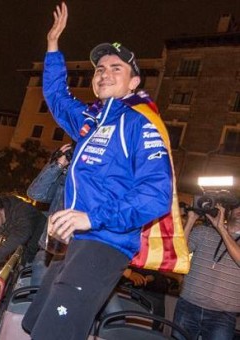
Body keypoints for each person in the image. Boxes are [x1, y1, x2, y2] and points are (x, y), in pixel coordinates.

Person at [22, 4, 174, 339]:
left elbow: (157, 195)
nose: (103, 73)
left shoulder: (139, 124)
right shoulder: (90, 122)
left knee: (51, 333)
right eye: (99, 69)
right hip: (73, 243)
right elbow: (57, 97)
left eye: (115, 68)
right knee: (33, 323)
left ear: (134, 82)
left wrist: (91, 218)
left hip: (105, 243)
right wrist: (52, 46)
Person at [172, 205, 240, 340]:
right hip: (188, 306)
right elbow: (178, 255)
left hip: (223, 315)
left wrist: (221, 229)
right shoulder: (203, 231)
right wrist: (191, 220)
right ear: (229, 211)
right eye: (239, 207)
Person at [25, 143, 72, 286]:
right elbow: (35, 193)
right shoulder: (65, 173)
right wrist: (58, 164)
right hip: (52, 251)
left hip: (81, 254)